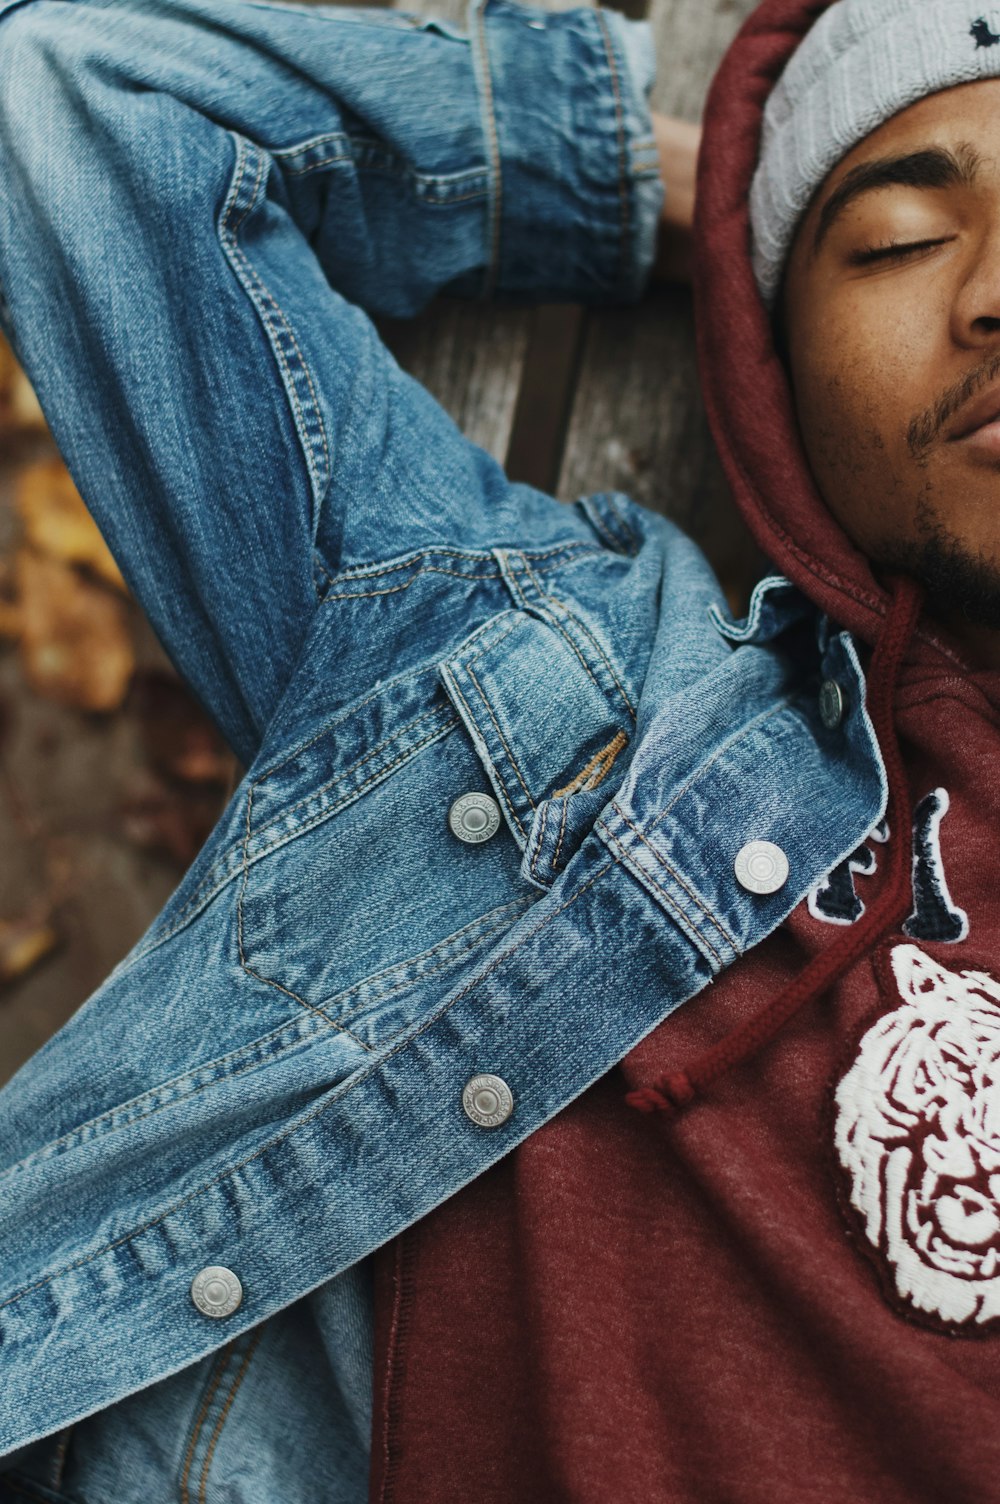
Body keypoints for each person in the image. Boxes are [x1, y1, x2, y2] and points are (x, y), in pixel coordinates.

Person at [0, 0, 999, 1497]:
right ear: (769, 361)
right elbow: (80, 96)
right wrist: (658, 195)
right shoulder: (556, 686)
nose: (995, 291)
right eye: (898, 240)